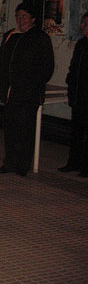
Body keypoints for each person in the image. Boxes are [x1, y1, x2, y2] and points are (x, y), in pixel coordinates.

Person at [0, 3, 54, 177]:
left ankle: (22, 165)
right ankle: (9, 162)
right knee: (10, 130)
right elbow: (0, 61)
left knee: (25, 131)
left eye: (24, 16)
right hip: (10, 94)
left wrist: (30, 86)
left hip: (28, 95)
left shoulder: (40, 38)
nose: (20, 20)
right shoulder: (11, 36)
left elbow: (46, 68)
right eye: (18, 16)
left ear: (33, 19)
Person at [59, 12, 88, 177]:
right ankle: (73, 162)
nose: (82, 26)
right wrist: (70, 85)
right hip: (78, 96)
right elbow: (74, 68)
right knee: (76, 132)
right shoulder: (81, 44)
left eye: (85, 23)